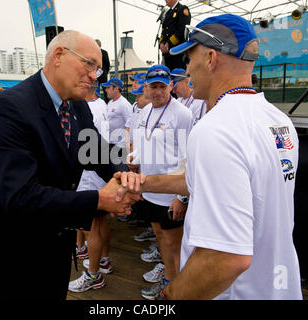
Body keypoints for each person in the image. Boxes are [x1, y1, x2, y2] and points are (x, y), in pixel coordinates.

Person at [116, 14, 303, 300]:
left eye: (190, 59)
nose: (187, 71)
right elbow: (192, 183)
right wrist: (138, 184)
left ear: (211, 58)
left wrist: (172, 296)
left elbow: (227, 258)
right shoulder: (279, 120)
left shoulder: (216, 129)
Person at [0, 30, 140, 300]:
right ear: (59, 56)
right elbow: (20, 197)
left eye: (98, 69)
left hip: (57, 249)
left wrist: (121, 172)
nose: (94, 75)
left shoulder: (77, 107)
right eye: (89, 64)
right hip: (16, 255)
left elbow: (96, 150)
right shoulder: (8, 108)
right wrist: (99, 199)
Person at [130, 64, 192, 300]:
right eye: (153, 86)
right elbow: (141, 142)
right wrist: (134, 161)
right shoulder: (144, 112)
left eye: (162, 87)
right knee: (160, 239)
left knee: (174, 246)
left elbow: (189, 157)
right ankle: (169, 282)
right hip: (150, 189)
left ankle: (176, 292)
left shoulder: (182, 114)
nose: (158, 92)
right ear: (146, 87)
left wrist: (181, 197)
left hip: (171, 192)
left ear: (171, 86)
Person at [69, 82, 113, 292]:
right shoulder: (102, 104)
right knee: (101, 220)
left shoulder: (85, 107)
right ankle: (103, 260)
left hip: (89, 172)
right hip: (100, 171)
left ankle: (93, 274)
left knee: (90, 226)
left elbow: (86, 144)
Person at [159, 0, 191, 71]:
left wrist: (168, 43)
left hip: (178, 52)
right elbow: (164, 31)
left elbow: (182, 30)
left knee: (178, 76)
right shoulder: (168, 13)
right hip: (168, 53)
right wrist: (161, 43)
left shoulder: (183, 9)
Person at [102, 77, 133, 150]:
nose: (106, 90)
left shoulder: (124, 104)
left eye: (108, 87)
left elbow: (130, 125)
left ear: (116, 89)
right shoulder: (110, 102)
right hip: (110, 143)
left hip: (120, 146)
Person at [96, 39, 110, 103]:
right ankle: (98, 101)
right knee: (96, 89)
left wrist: (105, 72)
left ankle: (106, 102)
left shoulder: (104, 52)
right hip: (98, 74)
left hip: (101, 74)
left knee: (105, 90)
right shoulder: (104, 52)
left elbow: (107, 64)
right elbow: (108, 64)